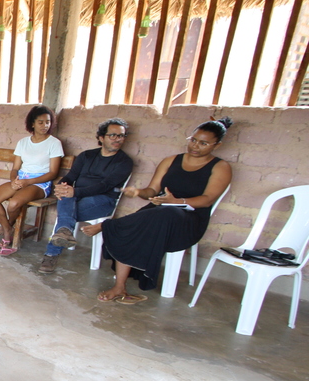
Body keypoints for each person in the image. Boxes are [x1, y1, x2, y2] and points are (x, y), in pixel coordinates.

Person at [82, 117, 234, 304]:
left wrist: (177, 201)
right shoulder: (171, 161)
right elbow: (152, 191)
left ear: (216, 145)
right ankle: (119, 286)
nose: (195, 146)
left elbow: (207, 199)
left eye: (203, 143)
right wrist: (138, 192)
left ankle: (107, 225)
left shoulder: (221, 167)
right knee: (142, 221)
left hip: (189, 218)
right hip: (157, 212)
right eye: (193, 140)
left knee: (161, 214)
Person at [38, 118, 134, 274]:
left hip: (103, 200)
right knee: (66, 197)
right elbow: (71, 176)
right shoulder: (86, 156)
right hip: (77, 196)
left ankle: (52, 251)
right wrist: (62, 186)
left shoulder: (124, 162)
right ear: (101, 138)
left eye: (121, 136)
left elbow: (105, 186)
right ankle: (63, 232)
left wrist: (74, 192)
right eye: (113, 135)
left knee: (66, 212)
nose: (118, 139)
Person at [0, 105, 63, 256]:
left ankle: (7, 231)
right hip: (21, 179)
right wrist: (14, 180)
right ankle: (8, 227)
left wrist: (28, 182)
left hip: (40, 183)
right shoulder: (23, 142)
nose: (45, 126)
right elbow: (15, 168)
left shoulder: (54, 143)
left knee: (14, 203)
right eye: (40, 122)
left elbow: (53, 173)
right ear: (32, 124)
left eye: (48, 122)